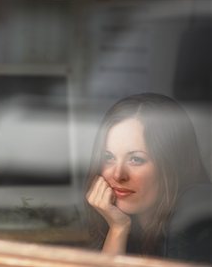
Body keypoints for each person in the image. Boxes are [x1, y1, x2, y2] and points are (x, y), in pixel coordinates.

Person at [85, 93, 212, 264]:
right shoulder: (126, 222)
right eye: (109, 157)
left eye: (136, 159)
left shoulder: (196, 225)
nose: (117, 175)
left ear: (171, 164)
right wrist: (118, 228)